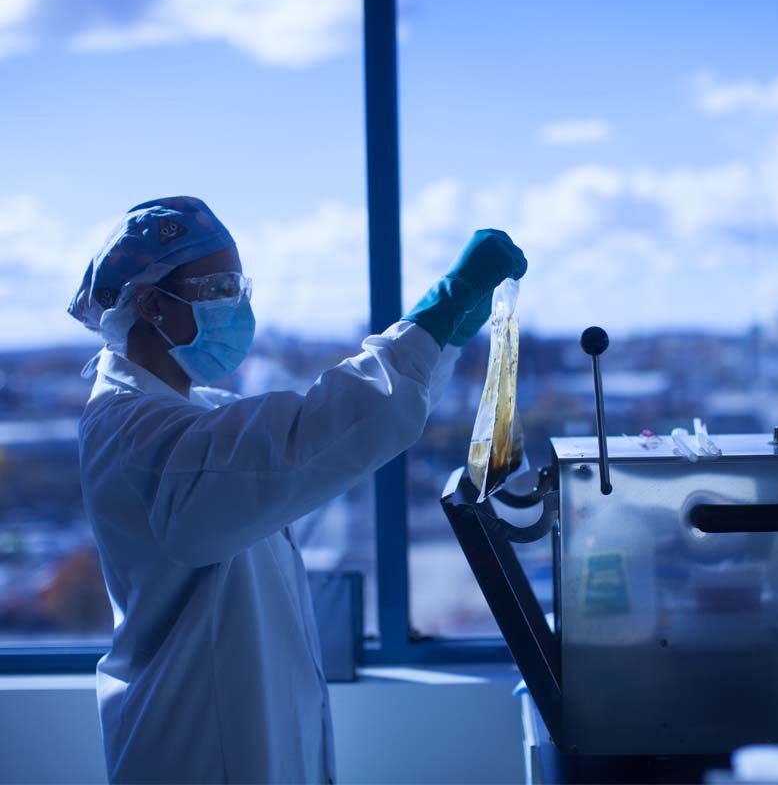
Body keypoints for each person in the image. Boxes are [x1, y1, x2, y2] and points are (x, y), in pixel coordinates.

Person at [69, 195, 527, 784]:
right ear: (152, 305)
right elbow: (305, 438)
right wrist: (435, 317)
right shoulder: (137, 435)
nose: (238, 306)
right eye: (220, 289)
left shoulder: (192, 413)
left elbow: (328, 445)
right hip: (194, 750)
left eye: (241, 287)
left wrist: (443, 344)